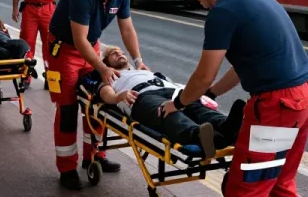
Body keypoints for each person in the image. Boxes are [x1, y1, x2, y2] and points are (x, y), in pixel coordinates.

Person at [158, 0, 308, 197]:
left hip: (278, 106)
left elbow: (204, 75)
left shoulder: (222, 11)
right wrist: (211, 93)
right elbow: (242, 66)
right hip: (306, 97)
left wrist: (178, 103)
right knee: (280, 183)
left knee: (246, 189)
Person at [46, 0, 148, 191]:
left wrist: (138, 60)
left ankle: (94, 155)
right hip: (64, 50)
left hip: (90, 47)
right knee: (68, 108)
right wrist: (102, 67)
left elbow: (127, 29)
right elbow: (78, 39)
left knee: (97, 103)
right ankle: (67, 168)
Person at [86, 46, 243, 159]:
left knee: (196, 107)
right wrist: (119, 97)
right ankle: (198, 135)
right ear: (106, 63)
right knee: (166, 112)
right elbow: (105, 94)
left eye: (121, 52)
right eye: (113, 54)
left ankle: (226, 126)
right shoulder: (107, 76)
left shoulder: (143, 70)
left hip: (170, 90)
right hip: (141, 96)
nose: (119, 54)